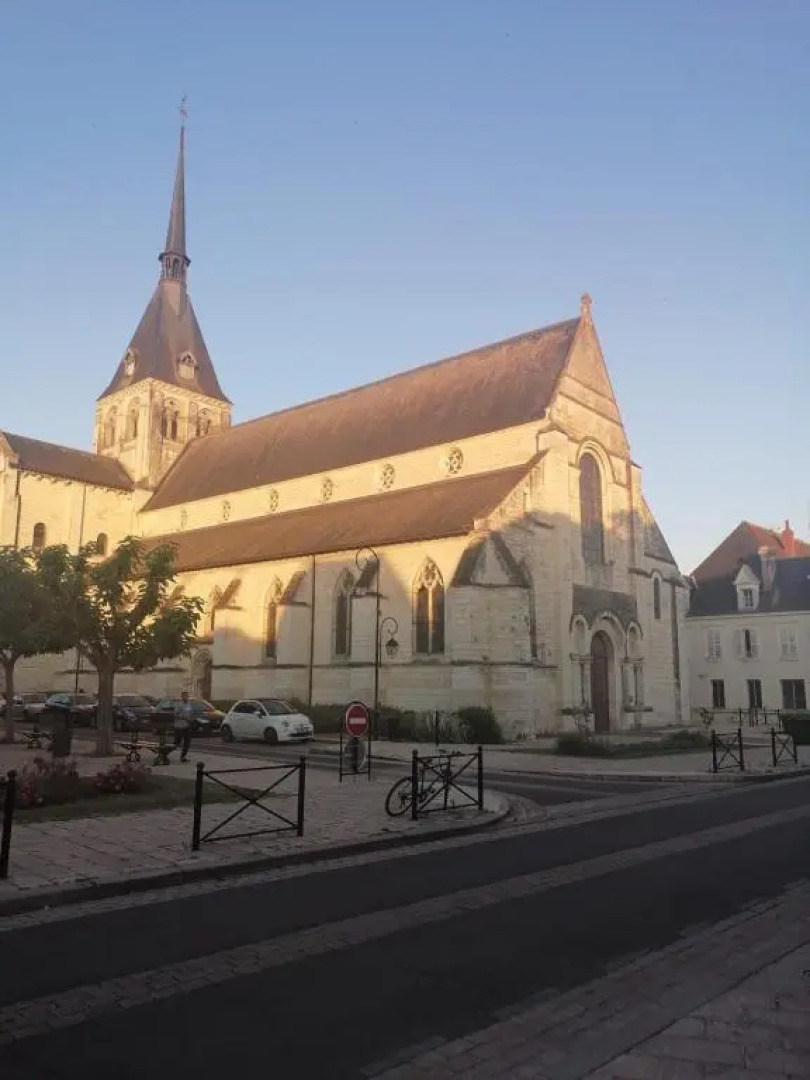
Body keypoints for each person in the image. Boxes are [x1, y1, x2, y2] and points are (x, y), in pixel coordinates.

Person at [173, 690, 193, 762]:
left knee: (187, 742)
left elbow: (190, 713)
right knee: (177, 743)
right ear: (182, 697)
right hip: (179, 726)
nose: (186, 697)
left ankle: (183, 757)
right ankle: (165, 753)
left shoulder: (188, 704)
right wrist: (184, 717)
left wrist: (190, 719)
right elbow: (175, 715)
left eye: (187, 696)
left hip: (186, 726)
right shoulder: (179, 705)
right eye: (185, 696)